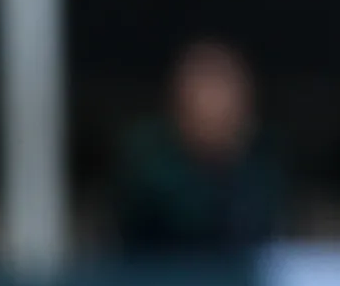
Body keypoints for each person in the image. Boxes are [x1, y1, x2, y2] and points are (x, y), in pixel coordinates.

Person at [115, 40, 284, 254]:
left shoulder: (261, 159)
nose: (213, 103)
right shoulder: (146, 159)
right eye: (203, 89)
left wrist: (230, 157)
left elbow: (258, 230)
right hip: (157, 280)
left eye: (224, 88)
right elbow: (171, 223)